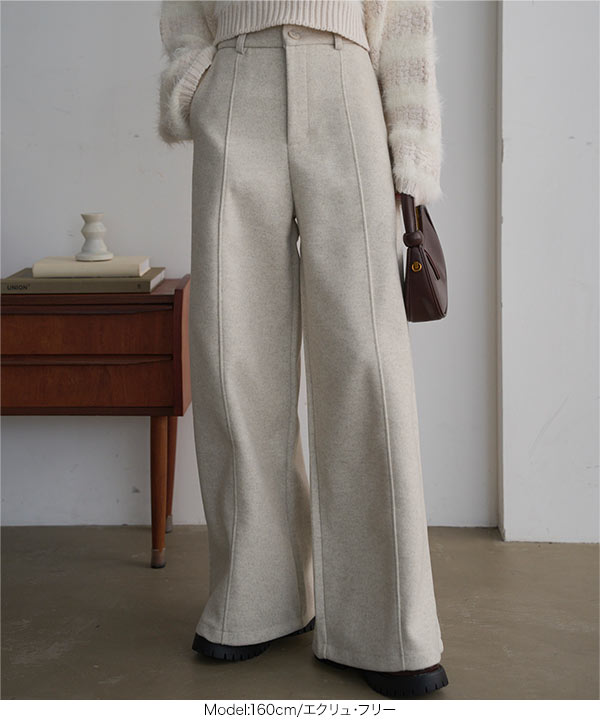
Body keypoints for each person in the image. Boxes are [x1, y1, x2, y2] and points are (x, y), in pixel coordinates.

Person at [158, 0, 448, 699]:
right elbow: (184, 14)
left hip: (345, 82)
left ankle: (389, 625)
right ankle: (255, 599)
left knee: (367, 359)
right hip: (237, 83)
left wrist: (411, 151)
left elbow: (405, 21)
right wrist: (199, 83)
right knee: (232, 352)